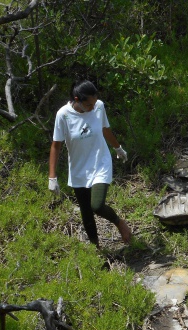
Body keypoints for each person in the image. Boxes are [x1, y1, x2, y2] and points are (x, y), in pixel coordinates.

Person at [48, 80, 131, 247]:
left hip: (100, 162)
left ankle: (120, 223)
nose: (92, 107)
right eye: (88, 104)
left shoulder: (99, 106)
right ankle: (96, 248)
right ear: (76, 99)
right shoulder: (63, 115)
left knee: (97, 205)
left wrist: (118, 148)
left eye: (94, 102)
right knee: (86, 212)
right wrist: (52, 177)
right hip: (79, 168)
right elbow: (56, 145)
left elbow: (105, 129)